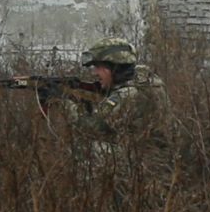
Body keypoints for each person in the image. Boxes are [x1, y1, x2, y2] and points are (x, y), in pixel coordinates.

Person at [68, 37, 174, 165]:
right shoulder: (148, 81)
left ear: (114, 67)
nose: (95, 72)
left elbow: (90, 127)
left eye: (98, 67)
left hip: (148, 163)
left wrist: (68, 106)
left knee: (84, 146)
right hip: (161, 156)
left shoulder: (127, 95)